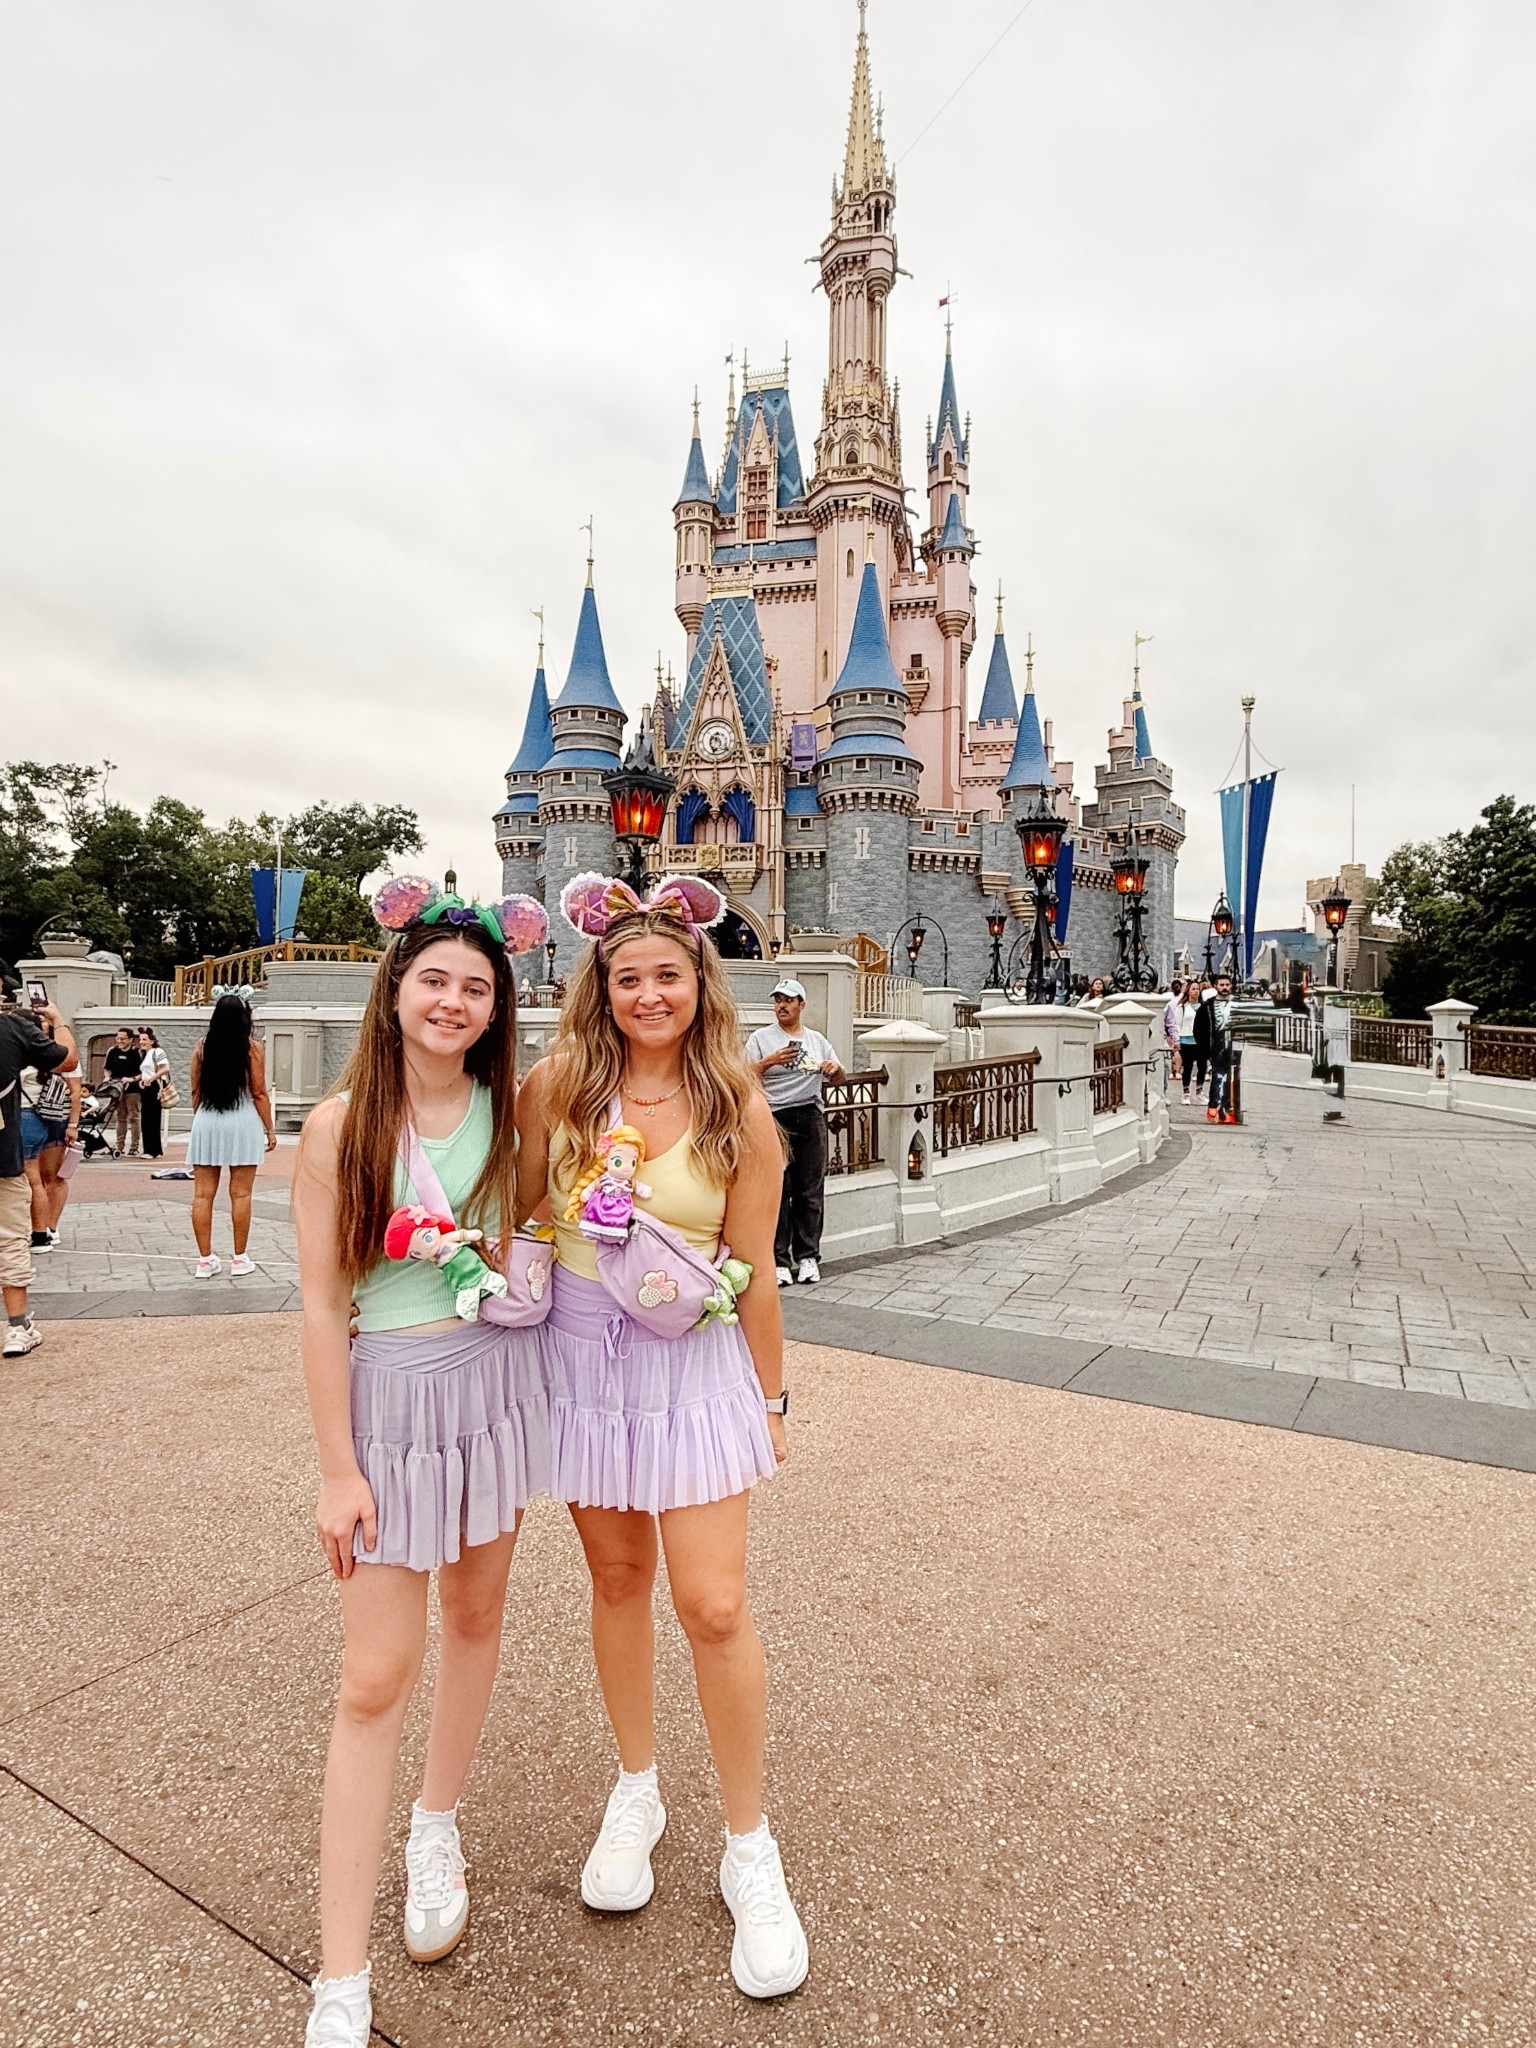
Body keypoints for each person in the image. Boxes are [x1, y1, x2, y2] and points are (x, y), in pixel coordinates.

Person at [517, 871, 806, 2002]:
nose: (648, 994)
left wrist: (771, 1401)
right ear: (601, 988)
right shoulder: (560, 1086)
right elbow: (521, 1214)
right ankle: (636, 1787)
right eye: (627, 976)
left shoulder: (737, 1106)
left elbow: (757, 1266)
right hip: (585, 1358)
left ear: (700, 983)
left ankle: (749, 1844)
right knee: (616, 1576)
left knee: (714, 1603)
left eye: (667, 976)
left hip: (694, 1363)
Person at [293, 877, 550, 2048]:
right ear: (395, 987)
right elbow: (319, 1302)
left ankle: (435, 1823)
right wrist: (336, 1467)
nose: (453, 1000)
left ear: (498, 1007)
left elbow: (545, 1229)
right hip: (391, 1400)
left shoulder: (514, 1111)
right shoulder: (342, 1126)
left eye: (476, 987)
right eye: (434, 979)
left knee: (478, 1613)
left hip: (493, 1387)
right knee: (372, 1674)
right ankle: (340, 1975)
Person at [745, 976, 846, 1288]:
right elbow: (741, 1076)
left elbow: (840, 1078)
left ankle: (808, 1256)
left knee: (810, 1189)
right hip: (774, 1117)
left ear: (801, 1005)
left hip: (810, 1114)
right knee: (778, 1189)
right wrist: (769, 1061)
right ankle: (778, 1260)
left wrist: (833, 1069)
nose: (782, 1006)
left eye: (788, 1000)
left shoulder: (816, 1040)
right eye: (778, 1000)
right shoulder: (760, 1038)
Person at [1, 998, 78, 1358]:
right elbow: (68, 1060)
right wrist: (58, 1020)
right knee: (10, 1240)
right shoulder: (11, 1028)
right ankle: (17, 1327)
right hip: (3, 1155)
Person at [186, 993, 276, 1277]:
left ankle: (205, 1260)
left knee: (202, 1195)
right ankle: (239, 1258)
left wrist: (200, 1119)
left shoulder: (202, 1047)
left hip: (207, 1118)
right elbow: (259, 1092)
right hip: (242, 1119)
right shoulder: (252, 1048)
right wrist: (270, 1128)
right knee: (241, 1194)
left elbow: (195, 1089)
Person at [21, 1019, 83, 1252]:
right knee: (33, 1175)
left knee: (53, 1174)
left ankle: (50, 1226)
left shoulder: (63, 1053)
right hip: (33, 1115)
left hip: (56, 1115)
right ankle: (38, 1226)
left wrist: (73, 1124)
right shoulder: (21, 1049)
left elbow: (75, 1091)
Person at [1195, 974, 1236, 1122]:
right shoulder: (1207, 1006)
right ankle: (1214, 1107)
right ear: (1216, 986)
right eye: (1221, 985)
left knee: (1232, 1078)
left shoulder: (1237, 1004)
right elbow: (1198, 1028)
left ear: (1231, 986)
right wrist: (1204, 1047)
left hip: (1234, 1045)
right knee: (1218, 1076)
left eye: (1227, 985)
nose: (1224, 988)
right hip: (1216, 1045)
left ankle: (1227, 1109)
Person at [103, 1025, 143, 1156]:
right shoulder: (112, 1051)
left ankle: (134, 1146)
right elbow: (107, 1068)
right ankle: (119, 1146)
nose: (119, 1041)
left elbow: (143, 1073)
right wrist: (107, 1077)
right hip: (117, 1089)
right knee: (120, 1117)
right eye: (118, 1038)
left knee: (134, 1117)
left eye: (123, 1039)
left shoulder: (137, 1053)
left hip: (133, 1089)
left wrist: (131, 1079)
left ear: (131, 1040)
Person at [137, 1027, 171, 1160]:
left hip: (154, 1087)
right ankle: (151, 1149)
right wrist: (140, 1080)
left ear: (152, 1041)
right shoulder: (145, 1054)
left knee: (152, 1118)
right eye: (140, 1039)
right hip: (146, 1087)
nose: (141, 1042)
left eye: (144, 1039)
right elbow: (145, 1072)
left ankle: (152, 1150)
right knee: (146, 1118)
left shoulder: (158, 1051)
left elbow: (165, 1068)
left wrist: (151, 1079)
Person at [1177, 981, 1203, 1103]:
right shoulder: (1182, 1007)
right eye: (1193, 989)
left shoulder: (1204, 1007)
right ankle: (1186, 1093)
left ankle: (1199, 1092)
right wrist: (1177, 1041)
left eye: (1197, 989)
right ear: (1188, 991)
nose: (1196, 991)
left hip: (1201, 1041)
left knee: (1202, 1067)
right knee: (1188, 1067)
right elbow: (1177, 1024)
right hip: (1186, 1040)